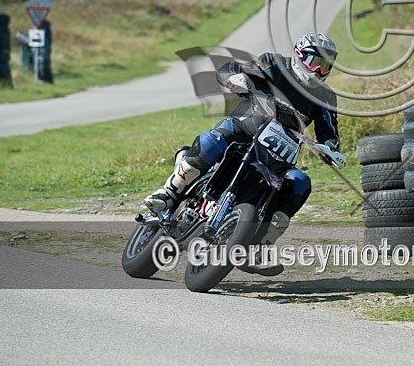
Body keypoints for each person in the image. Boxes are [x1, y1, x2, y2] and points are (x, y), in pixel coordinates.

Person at [143, 32, 342, 275]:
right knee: (211, 142)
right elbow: (230, 69)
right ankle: (169, 193)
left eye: (326, 66)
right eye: (316, 63)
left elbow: (329, 133)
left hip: (279, 153)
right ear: (300, 55)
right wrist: (237, 78)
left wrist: (331, 149)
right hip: (243, 128)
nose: (320, 71)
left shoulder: (325, 96)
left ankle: (259, 246)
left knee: (300, 182)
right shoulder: (273, 64)